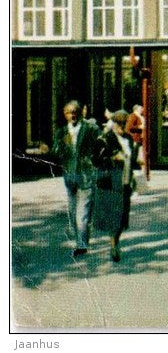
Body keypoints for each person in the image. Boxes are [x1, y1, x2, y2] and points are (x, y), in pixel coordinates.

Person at [50, 100, 102, 259]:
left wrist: (94, 161)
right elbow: (57, 151)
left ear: (79, 113)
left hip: (86, 175)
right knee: (73, 212)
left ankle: (81, 244)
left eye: (75, 112)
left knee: (82, 213)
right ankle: (81, 239)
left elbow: (101, 146)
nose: (72, 115)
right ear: (64, 115)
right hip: (70, 176)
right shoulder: (62, 132)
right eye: (68, 112)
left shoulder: (90, 129)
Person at [93, 110, 135, 262]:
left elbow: (131, 160)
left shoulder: (129, 139)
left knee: (123, 216)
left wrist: (133, 177)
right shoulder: (106, 139)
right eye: (120, 123)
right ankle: (114, 245)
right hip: (111, 183)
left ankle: (115, 240)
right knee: (115, 215)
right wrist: (112, 158)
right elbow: (95, 161)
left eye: (125, 123)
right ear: (114, 123)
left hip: (125, 182)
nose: (122, 126)